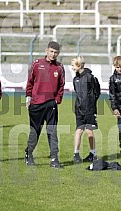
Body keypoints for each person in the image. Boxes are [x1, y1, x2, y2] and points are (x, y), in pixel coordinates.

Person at [24, 41, 65, 169]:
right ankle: (29, 154)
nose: (53, 54)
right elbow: (30, 82)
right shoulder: (37, 64)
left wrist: (57, 99)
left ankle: (54, 159)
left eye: (56, 52)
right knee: (35, 131)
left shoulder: (59, 67)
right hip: (36, 104)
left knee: (52, 132)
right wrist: (28, 98)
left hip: (51, 104)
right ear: (46, 50)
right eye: (51, 51)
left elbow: (61, 85)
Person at [71, 56, 100, 163]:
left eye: (73, 66)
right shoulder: (75, 79)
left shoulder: (90, 78)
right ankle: (76, 154)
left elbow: (97, 91)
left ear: (79, 65)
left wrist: (91, 104)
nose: (72, 68)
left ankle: (92, 153)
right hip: (79, 110)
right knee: (78, 130)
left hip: (89, 110)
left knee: (89, 131)